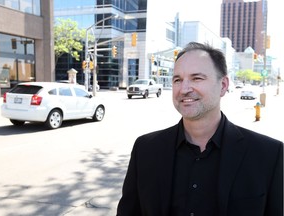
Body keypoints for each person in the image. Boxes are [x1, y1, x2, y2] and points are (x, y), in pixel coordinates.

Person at [116, 42, 283, 216]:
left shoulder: (269, 155)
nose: (184, 89)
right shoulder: (145, 149)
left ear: (223, 85)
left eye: (197, 78)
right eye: (177, 80)